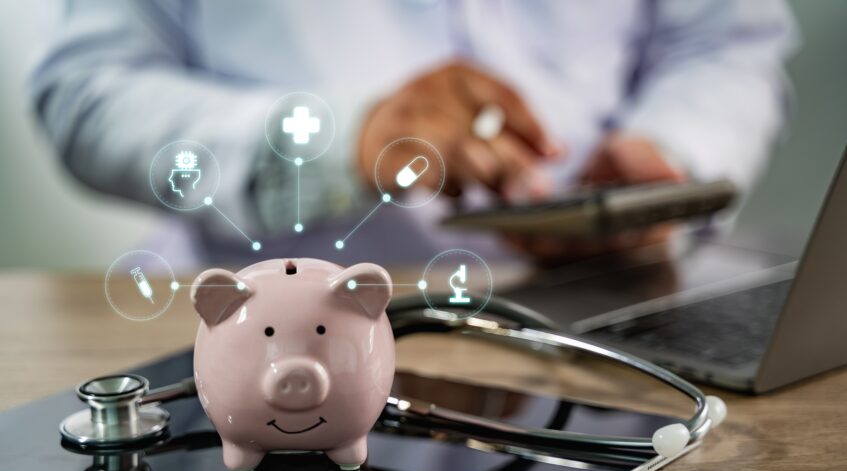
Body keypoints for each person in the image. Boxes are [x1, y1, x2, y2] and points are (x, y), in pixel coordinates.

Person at [29, 0, 798, 268]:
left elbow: (727, 42)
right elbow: (87, 93)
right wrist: (342, 141)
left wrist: (667, 153)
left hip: (617, 298)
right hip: (282, 310)